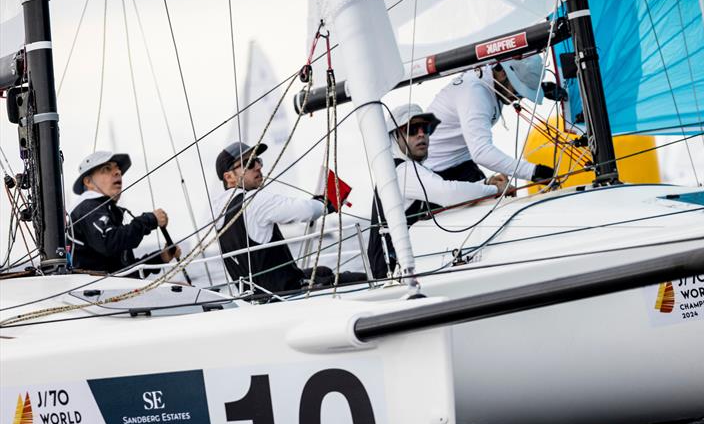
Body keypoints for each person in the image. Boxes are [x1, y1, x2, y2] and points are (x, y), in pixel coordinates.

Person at [367, 104, 510, 279]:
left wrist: (485, 182)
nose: (421, 134)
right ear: (395, 137)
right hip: (393, 273)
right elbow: (447, 194)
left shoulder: (403, 169)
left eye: (425, 128)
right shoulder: (402, 171)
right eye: (412, 130)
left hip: (405, 266)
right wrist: (494, 189)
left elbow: (442, 189)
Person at [212, 141, 364, 296]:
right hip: (286, 294)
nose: (258, 166)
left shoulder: (219, 211)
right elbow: (306, 211)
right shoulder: (252, 201)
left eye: (258, 161)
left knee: (323, 271)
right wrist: (324, 203)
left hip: (255, 296)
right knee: (362, 279)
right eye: (249, 163)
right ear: (229, 177)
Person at [424, 56, 556, 183]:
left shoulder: (491, 78)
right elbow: (481, 152)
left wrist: (541, 89)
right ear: (503, 73)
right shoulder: (474, 93)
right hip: (435, 172)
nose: (518, 98)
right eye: (518, 90)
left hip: (462, 163)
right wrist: (532, 171)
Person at [69, 151, 181, 274]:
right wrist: (150, 220)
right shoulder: (88, 208)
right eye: (107, 169)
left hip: (107, 289)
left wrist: (160, 258)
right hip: (92, 290)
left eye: (118, 169)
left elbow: (124, 271)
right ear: (88, 182)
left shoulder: (106, 211)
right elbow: (109, 243)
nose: (118, 172)